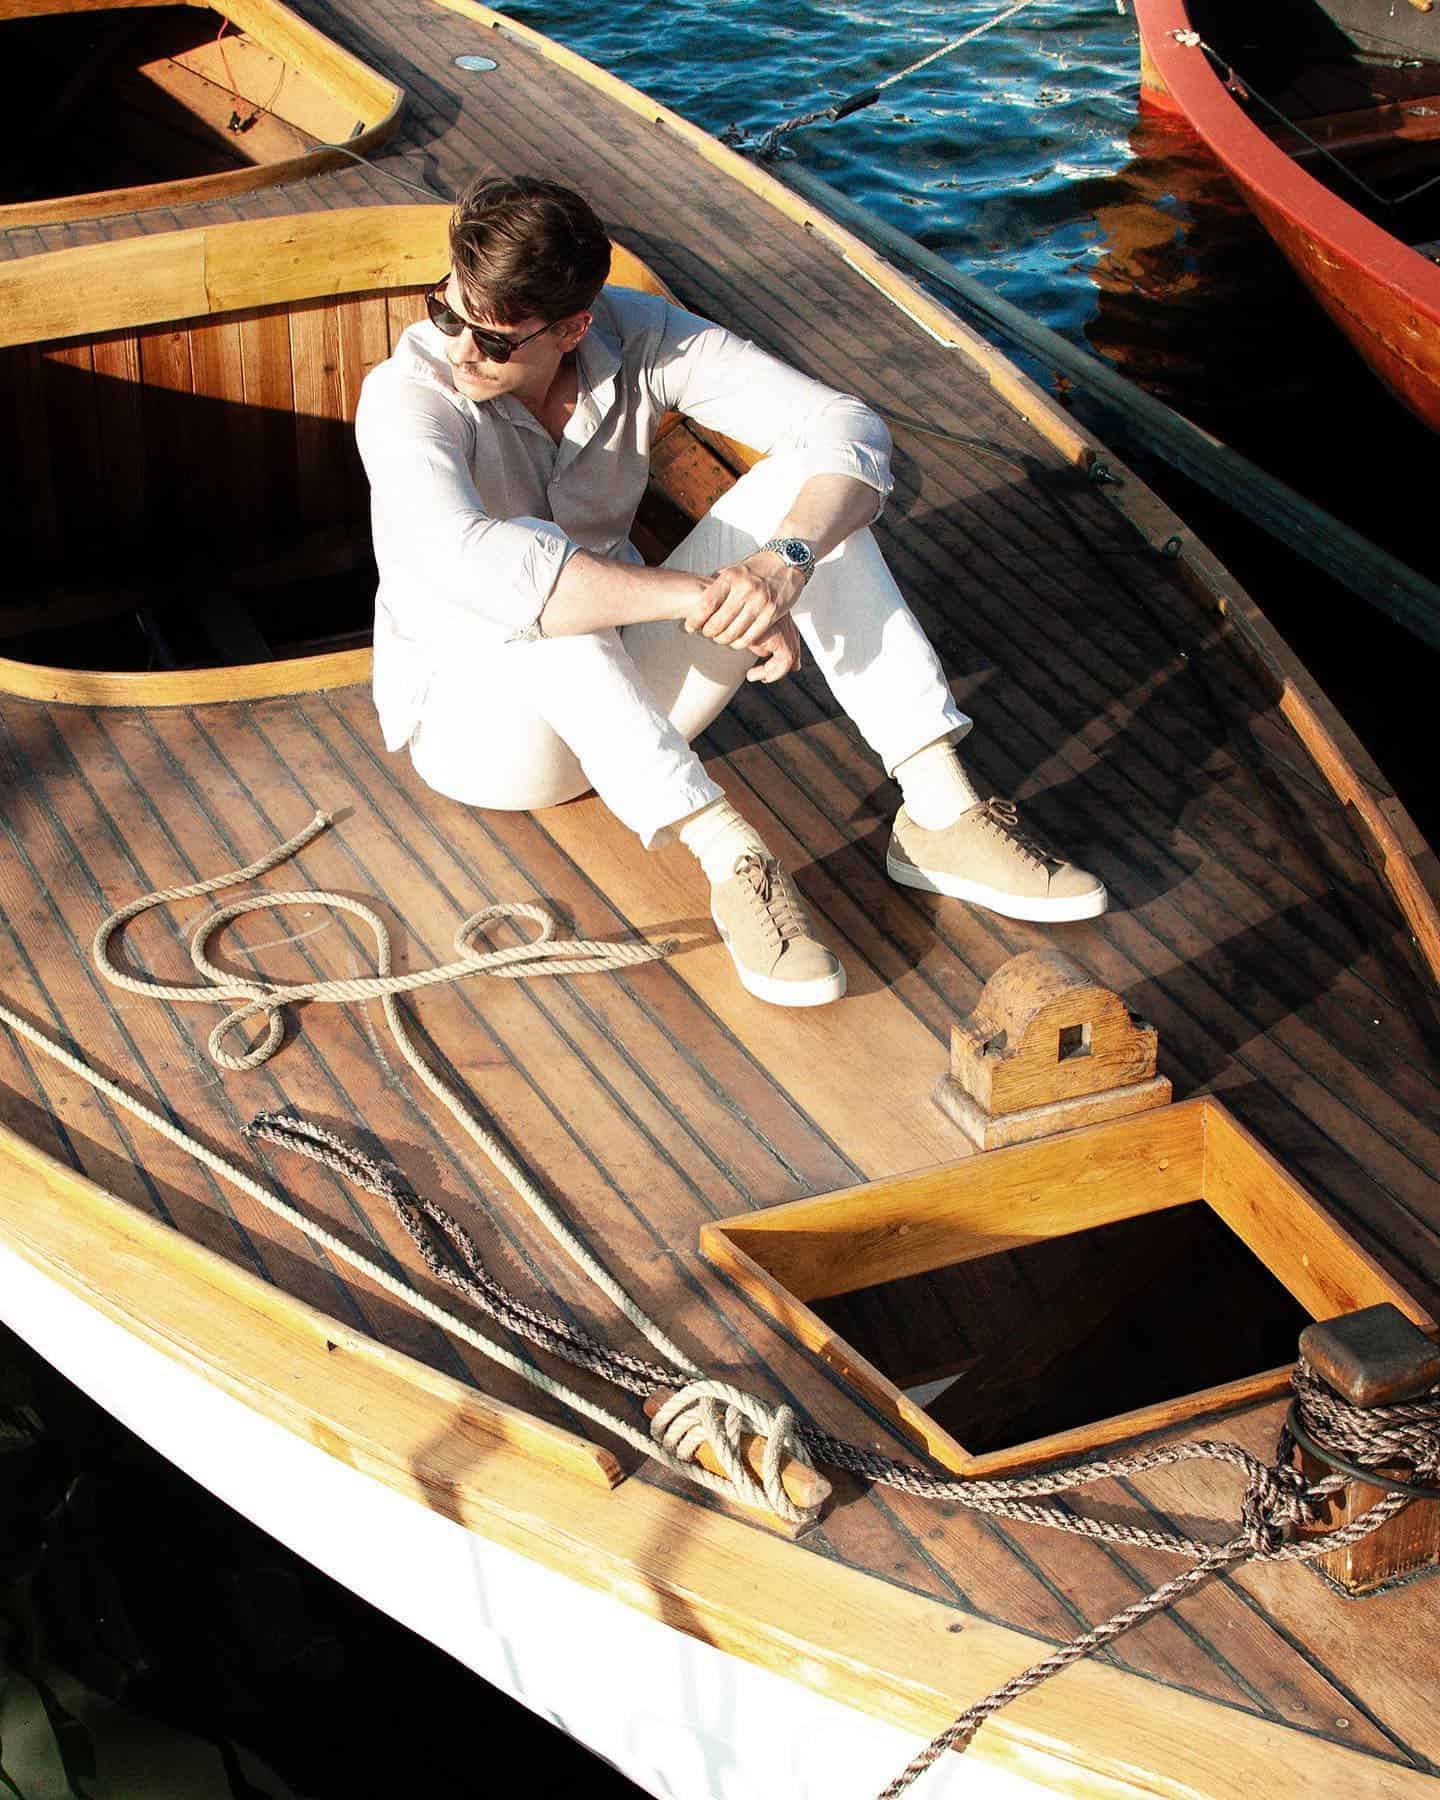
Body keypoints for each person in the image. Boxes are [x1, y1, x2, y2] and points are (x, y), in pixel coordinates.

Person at [355, 174, 1105, 1009]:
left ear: (575, 326)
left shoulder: (642, 339)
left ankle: (939, 808)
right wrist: (699, 596)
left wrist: (780, 565)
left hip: (624, 703)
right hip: (489, 743)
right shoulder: (406, 395)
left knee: (809, 499)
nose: (461, 349)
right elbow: (482, 567)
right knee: (533, 576)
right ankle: (733, 857)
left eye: (495, 341)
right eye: (447, 312)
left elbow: (847, 429)